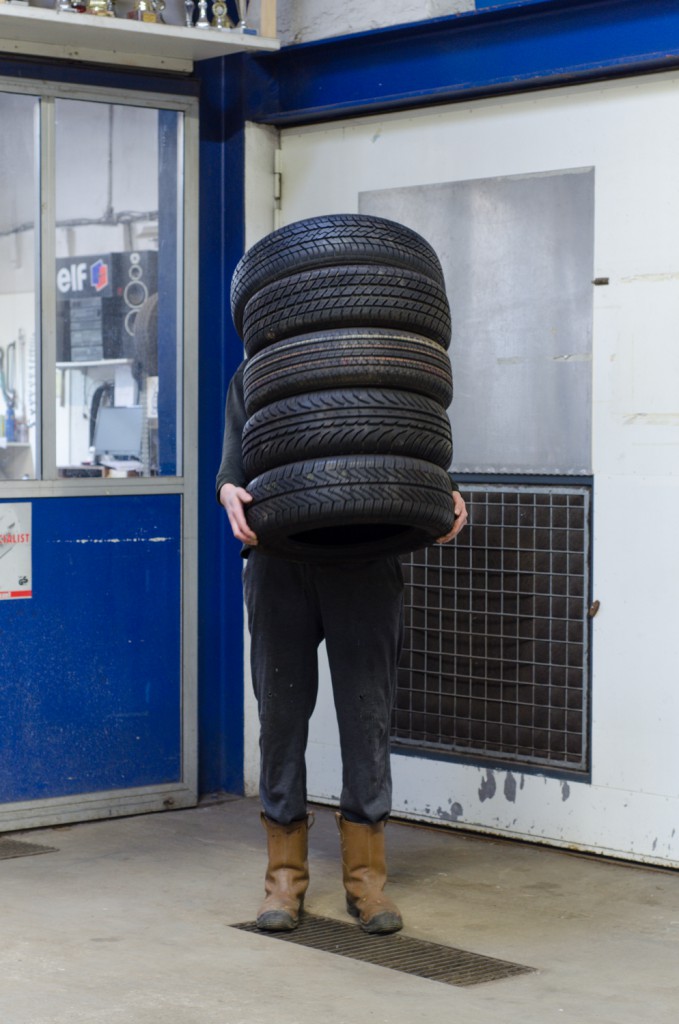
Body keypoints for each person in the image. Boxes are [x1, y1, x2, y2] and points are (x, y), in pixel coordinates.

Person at [217, 360, 468, 935]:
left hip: (365, 557)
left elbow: (416, 440)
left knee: (367, 717)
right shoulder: (259, 369)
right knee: (280, 720)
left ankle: (366, 881)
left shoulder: (383, 354)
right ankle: (283, 878)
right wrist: (228, 490)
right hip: (280, 562)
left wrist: (446, 493)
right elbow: (233, 460)